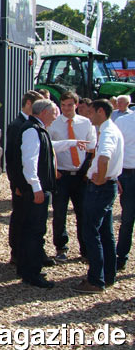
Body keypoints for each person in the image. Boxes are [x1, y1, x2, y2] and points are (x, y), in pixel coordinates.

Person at [73, 99, 124, 294]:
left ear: (101, 112)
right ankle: (108, 274)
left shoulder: (107, 132)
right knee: (105, 232)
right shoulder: (110, 129)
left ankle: (95, 280)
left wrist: (101, 178)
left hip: (100, 188)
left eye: (91, 112)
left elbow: (104, 158)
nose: (89, 116)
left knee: (91, 232)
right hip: (107, 186)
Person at [47, 91, 96, 262]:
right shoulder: (54, 124)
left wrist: (88, 170)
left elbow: (92, 146)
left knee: (83, 213)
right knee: (59, 213)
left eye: (69, 105)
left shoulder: (85, 123)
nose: (66, 109)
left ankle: (85, 248)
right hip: (62, 174)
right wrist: (54, 170)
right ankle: (61, 247)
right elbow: (48, 148)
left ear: (76, 105)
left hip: (81, 175)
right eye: (63, 105)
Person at [15, 99, 57, 288]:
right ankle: (32, 273)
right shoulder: (32, 131)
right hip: (35, 191)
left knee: (30, 230)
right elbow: (29, 162)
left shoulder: (37, 129)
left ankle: (26, 269)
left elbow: (48, 148)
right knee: (34, 231)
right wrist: (36, 187)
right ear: (44, 112)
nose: (55, 116)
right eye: (54, 112)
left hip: (35, 189)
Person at [6, 89, 43, 265]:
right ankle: (16, 252)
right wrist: (16, 184)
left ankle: (31, 252)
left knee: (30, 218)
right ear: (28, 103)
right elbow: (12, 158)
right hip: (22, 182)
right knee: (20, 217)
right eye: (37, 105)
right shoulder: (17, 125)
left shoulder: (29, 124)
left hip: (28, 180)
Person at [115, 110, 135, 271]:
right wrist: (115, 176)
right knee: (127, 219)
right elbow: (115, 149)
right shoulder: (122, 121)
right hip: (128, 175)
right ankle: (121, 257)